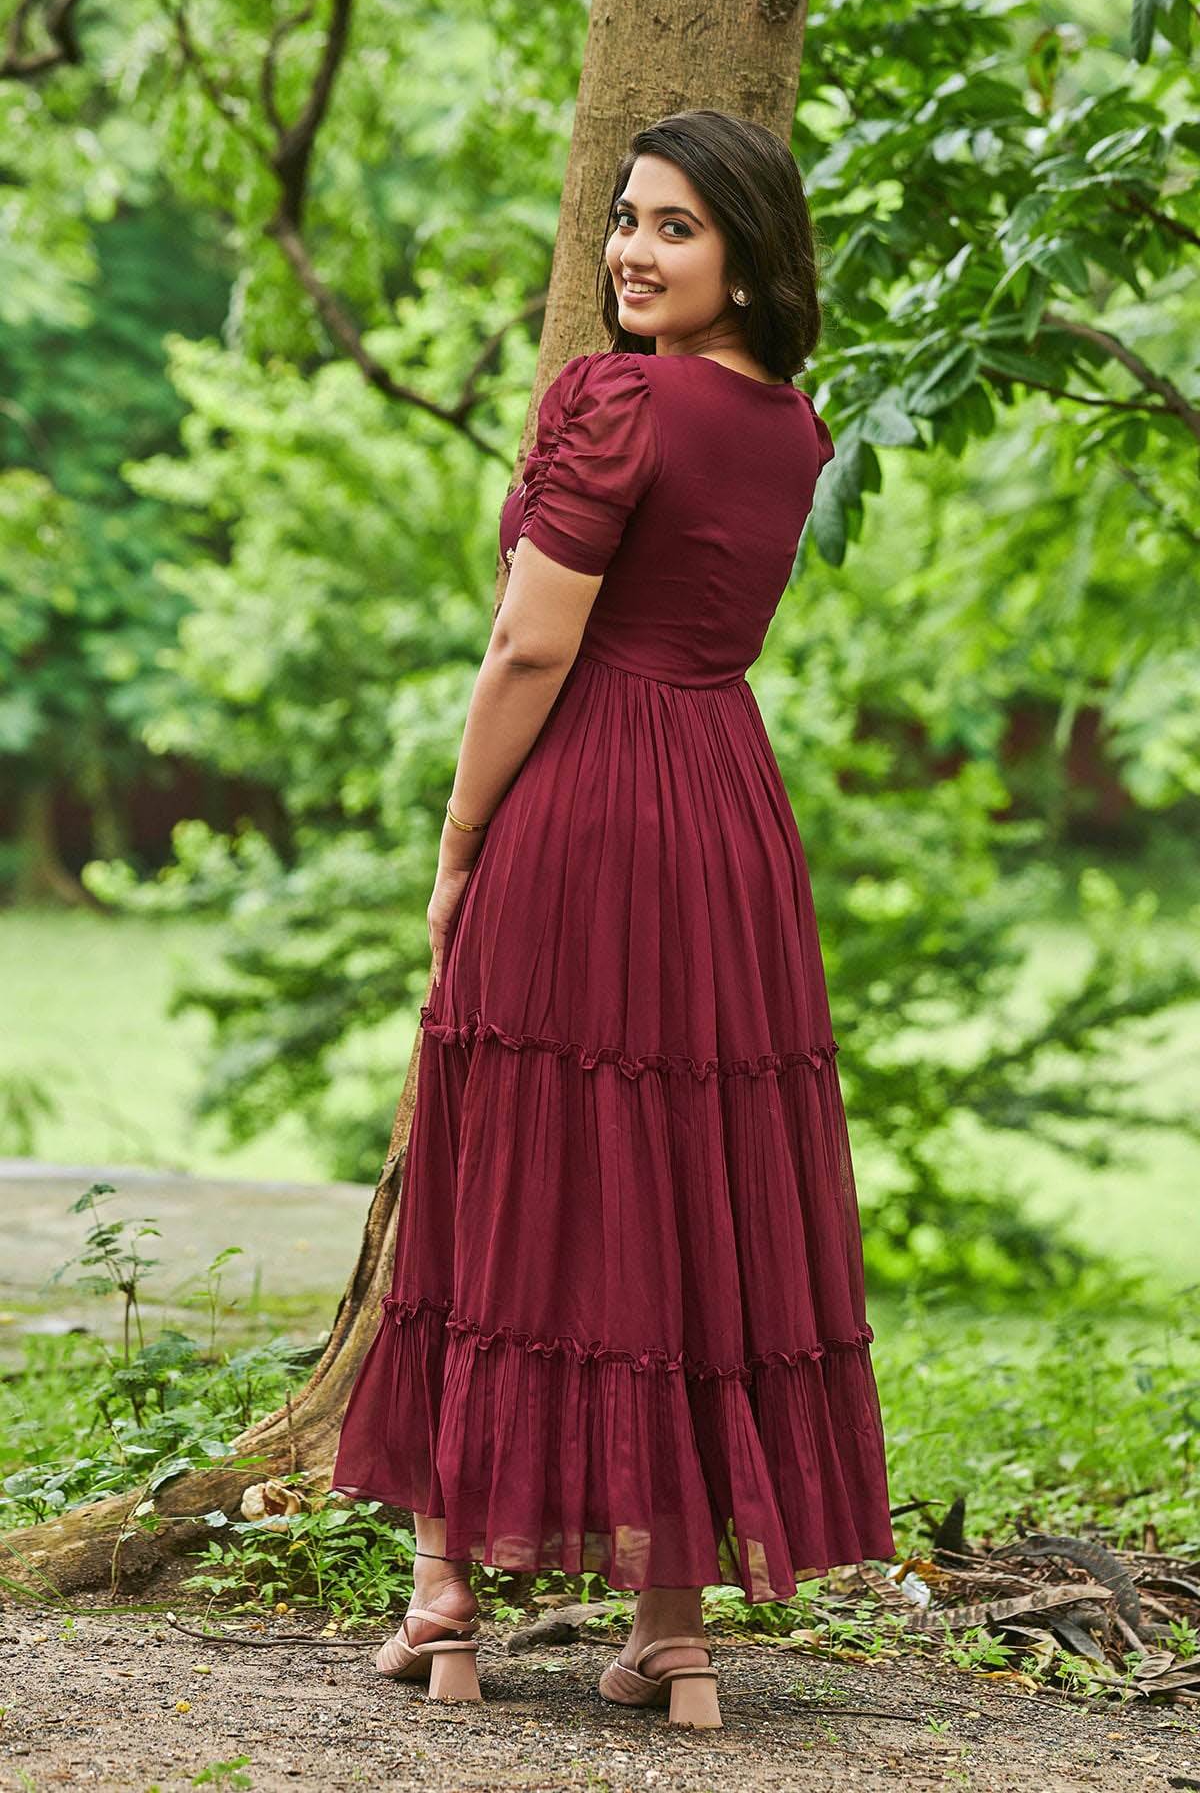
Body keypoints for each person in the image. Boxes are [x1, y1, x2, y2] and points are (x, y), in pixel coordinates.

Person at [332, 106, 896, 1729]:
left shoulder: (618, 400)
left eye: (675, 229)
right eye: (626, 223)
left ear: (748, 255)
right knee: (685, 1183)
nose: (634, 253)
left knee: (502, 1156)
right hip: (722, 813)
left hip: (581, 806)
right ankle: (676, 1629)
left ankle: (447, 1587)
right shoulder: (791, 424)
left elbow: (528, 651)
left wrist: (457, 842)